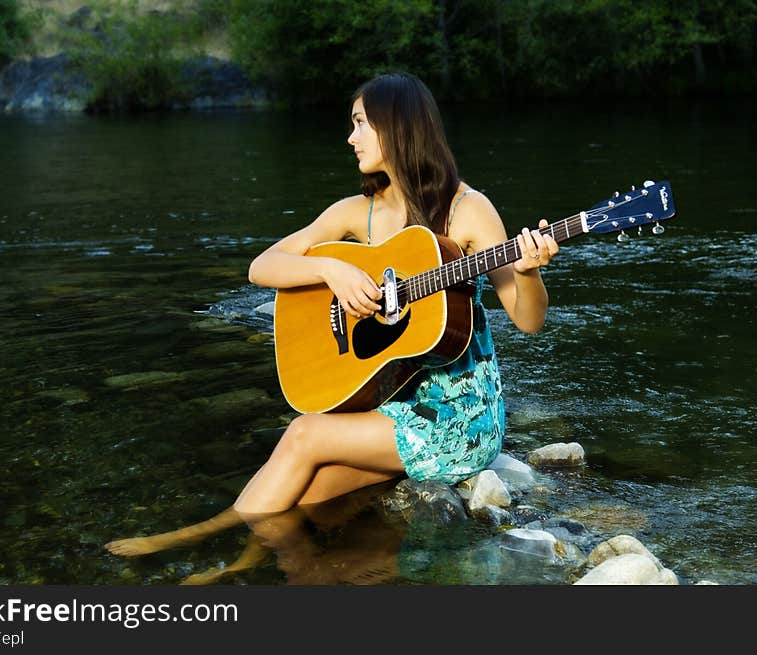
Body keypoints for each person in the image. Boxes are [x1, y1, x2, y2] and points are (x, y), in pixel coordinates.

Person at [105, 72, 558, 573]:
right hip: (387, 397)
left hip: (459, 419)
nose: (351, 137)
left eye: (361, 124)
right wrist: (331, 269)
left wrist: (528, 271)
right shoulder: (354, 214)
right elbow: (262, 267)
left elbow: (527, 318)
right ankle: (246, 558)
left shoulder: (467, 211)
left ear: (398, 128)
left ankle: (200, 542)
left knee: (304, 435)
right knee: (308, 494)